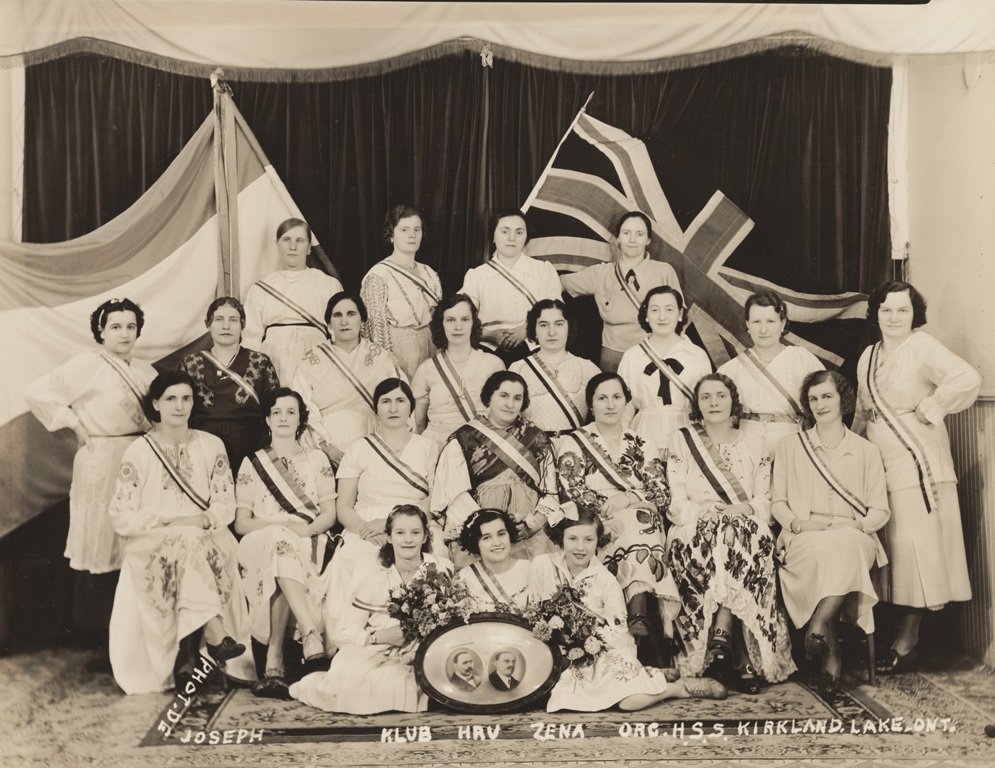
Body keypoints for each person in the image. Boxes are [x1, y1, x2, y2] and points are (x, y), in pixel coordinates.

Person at [852, 281, 981, 673]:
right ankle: (897, 635)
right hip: (881, 464)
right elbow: (861, 410)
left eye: (902, 311)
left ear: (914, 314)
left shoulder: (923, 347)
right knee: (896, 552)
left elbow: (967, 378)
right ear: (876, 313)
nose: (894, 318)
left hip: (919, 458)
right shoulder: (868, 355)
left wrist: (934, 405)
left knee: (918, 549)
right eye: (887, 310)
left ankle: (907, 639)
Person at [107, 371, 254, 694]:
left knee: (192, 542)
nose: (180, 406)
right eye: (171, 399)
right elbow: (121, 513)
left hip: (205, 532)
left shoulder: (211, 445)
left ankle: (192, 656)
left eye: (186, 398)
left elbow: (225, 503)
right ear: (156, 404)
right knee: (187, 542)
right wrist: (165, 524)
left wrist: (200, 521)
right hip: (154, 540)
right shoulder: (139, 452)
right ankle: (215, 637)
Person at [25, 298, 157, 653]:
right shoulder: (88, 364)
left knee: (138, 541)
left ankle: (136, 636)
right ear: (101, 331)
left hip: (141, 457)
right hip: (102, 458)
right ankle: (102, 637)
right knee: (104, 542)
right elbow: (37, 392)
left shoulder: (146, 371)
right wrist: (75, 424)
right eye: (115, 326)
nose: (124, 333)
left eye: (131, 326)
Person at [666, 373, 795, 693]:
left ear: (733, 401)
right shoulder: (681, 439)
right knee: (721, 539)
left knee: (736, 538)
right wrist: (708, 513)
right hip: (695, 524)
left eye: (720, 395)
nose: (713, 402)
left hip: (747, 520)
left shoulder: (757, 439)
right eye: (706, 397)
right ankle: (739, 656)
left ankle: (727, 638)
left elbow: (765, 497)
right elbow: (677, 500)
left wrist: (743, 511)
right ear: (697, 404)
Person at [530, 509, 726, 712]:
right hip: (554, 653)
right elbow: (535, 611)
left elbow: (620, 633)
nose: (580, 547)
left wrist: (587, 643)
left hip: (599, 652)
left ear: (599, 540)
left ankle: (679, 688)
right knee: (542, 694)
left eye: (588, 539)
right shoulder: (542, 565)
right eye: (572, 538)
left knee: (629, 702)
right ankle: (651, 674)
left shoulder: (606, 580)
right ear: (561, 537)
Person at [772, 371, 890, 695]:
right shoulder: (790, 446)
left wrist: (855, 524)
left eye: (827, 396)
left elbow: (880, 511)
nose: (820, 404)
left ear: (843, 399)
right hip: (806, 532)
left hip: (854, 532)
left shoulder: (867, 451)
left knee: (844, 544)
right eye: (814, 399)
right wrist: (798, 524)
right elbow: (778, 502)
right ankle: (829, 645)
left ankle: (821, 626)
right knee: (824, 552)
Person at [555, 372, 679, 638]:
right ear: (590, 404)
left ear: (626, 402)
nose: (610, 405)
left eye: (616, 397)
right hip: (597, 520)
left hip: (637, 515)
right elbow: (571, 489)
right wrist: (612, 505)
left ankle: (637, 612)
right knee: (639, 522)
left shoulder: (642, 443)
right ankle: (639, 609)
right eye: (602, 398)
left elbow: (660, 492)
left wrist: (630, 498)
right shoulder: (574, 442)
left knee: (639, 520)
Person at [289, 505, 448, 713]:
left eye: (415, 532)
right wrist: (380, 636)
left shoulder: (441, 569)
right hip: (376, 649)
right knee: (352, 685)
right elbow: (343, 634)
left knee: (407, 683)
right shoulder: (374, 574)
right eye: (400, 533)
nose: (408, 540)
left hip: (423, 652)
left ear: (426, 536)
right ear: (389, 537)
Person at [321, 378, 444, 640]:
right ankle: (355, 638)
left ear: (410, 407)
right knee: (355, 559)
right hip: (365, 525)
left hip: (417, 524)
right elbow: (343, 505)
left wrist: (393, 526)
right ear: (375, 408)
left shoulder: (429, 447)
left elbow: (434, 500)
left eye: (400, 401)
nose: (393, 407)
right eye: (385, 401)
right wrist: (365, 530)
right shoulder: (358, 448)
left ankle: (425, 633)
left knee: (438, 556)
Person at [234, 387, 337, 698]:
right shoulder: (252, 464)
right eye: (276, 411)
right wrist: (281, 525)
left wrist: (303, 531)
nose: (283, 417)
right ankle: (310, 633)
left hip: (307, 540)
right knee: (279, 541)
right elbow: (241, 523)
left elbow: (329, 515)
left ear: (300, 420)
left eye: (290, 412)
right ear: (267, 419)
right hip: (259, 541)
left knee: (282, 555)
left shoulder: (317, 458)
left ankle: (274, 661)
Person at [431, 371, 561, 566]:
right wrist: (490, 530)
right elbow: (454, 496)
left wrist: (532, 525)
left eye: (517, 398)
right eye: (503, 396)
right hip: (479, 532)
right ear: (488, 397)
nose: (510, 404)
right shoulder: (465, 439)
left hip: (528, 532)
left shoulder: (537, 439)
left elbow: (551, 493)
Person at [560, 211, 682, 372]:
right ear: (617, 238)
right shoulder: (601, 273)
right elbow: (557, 283)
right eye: (626, 233)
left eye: (640, 234)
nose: (632, 240)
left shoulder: (664, 271)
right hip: (613, 358)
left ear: (648, 240)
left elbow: (680, 317)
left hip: (655, 354)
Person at [293, 292, 405, 468]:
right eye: (337, 315)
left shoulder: (382, 359)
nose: (344, 321)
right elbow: (302, 408)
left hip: (374, 444)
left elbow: (400, 404)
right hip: (323, 450)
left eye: (351, 314)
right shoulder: (311, 361)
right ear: (329, 323)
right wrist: (327, 449)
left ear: (362, 321)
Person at [181, 297, 280, 477]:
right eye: (219, 320)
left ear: (242, 325)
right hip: (202, 444)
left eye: (233, 320)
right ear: (208, 324)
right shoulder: (191, 363)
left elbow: (274, 408)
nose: (226, 326)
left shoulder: (260, 362)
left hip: (250, 446)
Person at [718, 291, 823, 459]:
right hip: (746, 447)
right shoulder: (730, 370)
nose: (763, 329)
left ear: (782, 324)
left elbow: (826, 406)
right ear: (747, 325)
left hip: (791, 442)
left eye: (771, 321)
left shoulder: (803, 360)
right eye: (757, 322)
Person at [243, 218, 343, 384]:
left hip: (317, 356)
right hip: (274, 358)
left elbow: (338, 334)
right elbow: (250, 338)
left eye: (300, 241)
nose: (293, 247)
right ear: (277, 245)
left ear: (309, 247)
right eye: (286, 240)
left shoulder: (328, 284)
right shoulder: (262, 288)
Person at [459, 208, 562, 365]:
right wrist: (490, 334)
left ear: (526, 237)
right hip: (489, 351)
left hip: (536, 348)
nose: (512, 238)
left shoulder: (544, 270)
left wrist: (527, 329)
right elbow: (462, 318)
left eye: (519, 232)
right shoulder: (476, 275)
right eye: (505, 231)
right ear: (493, 236)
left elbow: (557, 312)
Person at [617, 287, 712, 451]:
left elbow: (708, 403)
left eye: (669, 309)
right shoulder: (632, 356)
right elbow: (625, 407)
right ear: (646, 315)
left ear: (680, 314)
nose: (662, 317)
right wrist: (622, 440)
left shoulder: (697, 355)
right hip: (643, 435)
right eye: (655, 310)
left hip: (687, 434)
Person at [360, 205, 443, 379]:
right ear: (391, 235)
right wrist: (386, 366)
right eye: (404, 229)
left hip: (432, 346)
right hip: (400, 351)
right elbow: (375, 328)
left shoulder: (430, 273)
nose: (412, 235)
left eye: (417, 229)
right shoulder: (378, 275)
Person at [411, 293, 504, 445]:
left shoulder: (493, 364)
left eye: (465, 319)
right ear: (441, 324)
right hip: (438, 445)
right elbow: (419, 424)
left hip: (481, 447)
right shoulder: (427, 369)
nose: (458, 327)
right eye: (450, 320)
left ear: (473, 323)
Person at [509, 299, 601, 437]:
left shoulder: (587, 368)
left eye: (559, 324)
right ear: (534, 329)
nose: (552, 332)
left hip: (574, 450)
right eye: (543, 325)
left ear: (569, 327)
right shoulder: (518, 368)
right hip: (532, 450)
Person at [456, 508, 532, 612]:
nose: (496, 543)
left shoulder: (531, 569)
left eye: (501, 534)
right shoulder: (465, 578)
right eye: (486, 537)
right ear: (476, 543)